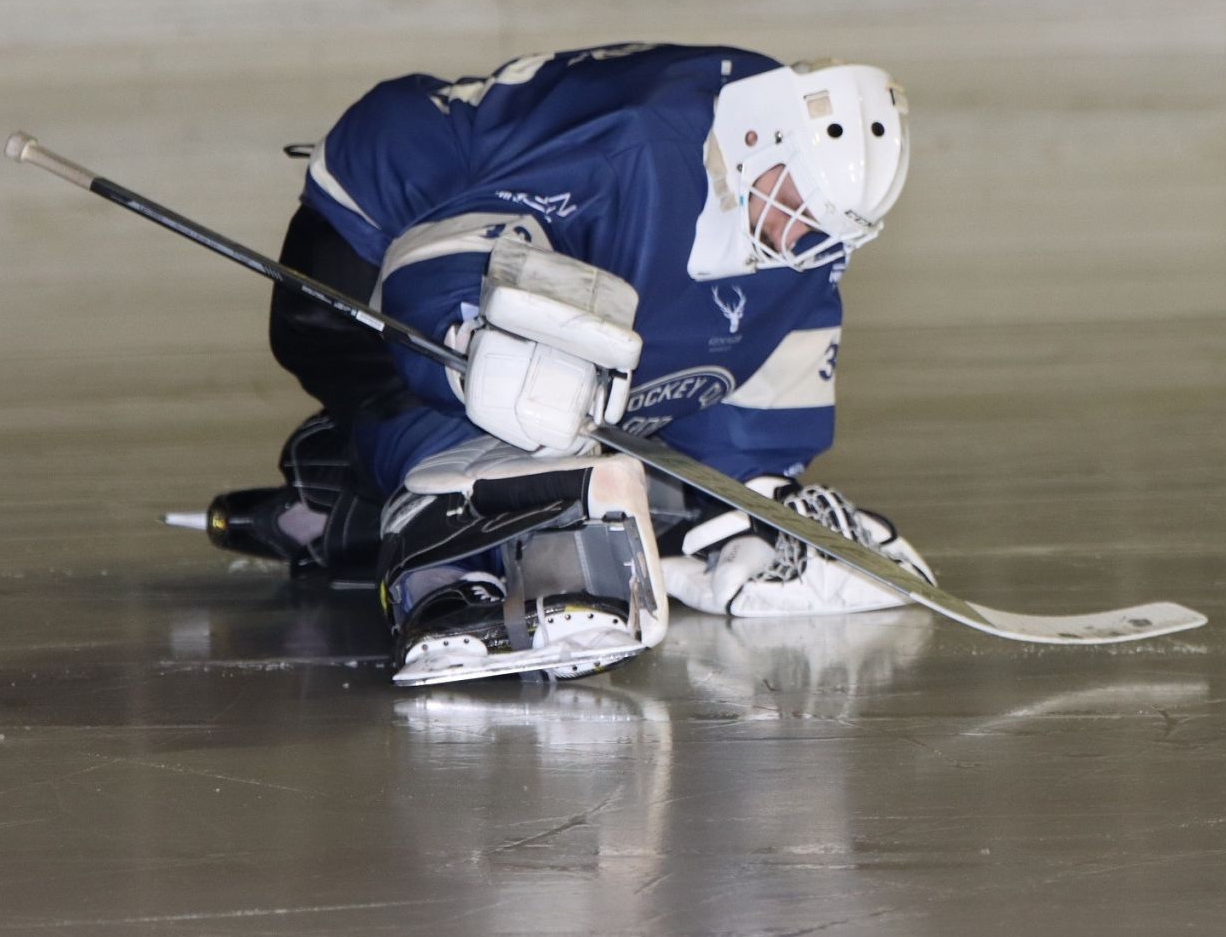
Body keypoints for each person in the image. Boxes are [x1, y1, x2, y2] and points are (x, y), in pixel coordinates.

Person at [202, 42, 934, 686]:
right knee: (511, 408)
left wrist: (754, 495)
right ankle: (441, 578)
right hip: (377, 234)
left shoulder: (804, 220)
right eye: (797, 208)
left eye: (827, 228)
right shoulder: (636, 153)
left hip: (566, 246)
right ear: (754, 142)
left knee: (615, 455)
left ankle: (344, 498)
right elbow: (447, 252)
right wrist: (470, 338)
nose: (800, 241)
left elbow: (770, 347)